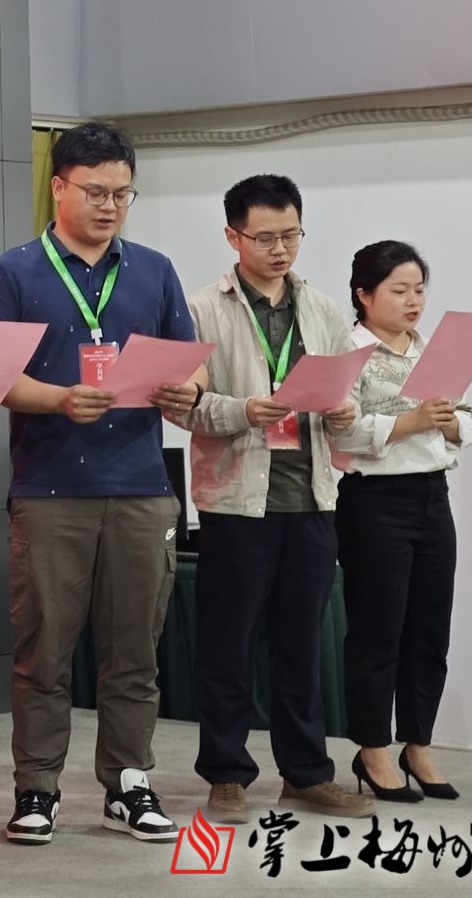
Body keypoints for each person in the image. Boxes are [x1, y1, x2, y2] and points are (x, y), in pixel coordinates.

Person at [0, 121, 198, 847]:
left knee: (136, 649)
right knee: (45, 649)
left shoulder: (155, 270)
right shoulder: (13, 273)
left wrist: (188, 390)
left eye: (122, 194)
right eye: (96, 192)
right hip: (50, 489)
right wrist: (61, 399)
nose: (109, 206)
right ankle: (37, 787)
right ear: (59, 186)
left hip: (141, 485)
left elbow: (189, 361)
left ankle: (128, 783)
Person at [170, 175, 373, 824]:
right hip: (237, 502)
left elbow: (349, 394)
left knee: (302, 645)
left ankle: (306, 773)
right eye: (265, 237)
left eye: (291, 235)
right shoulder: (201, 309)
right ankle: (227, 774)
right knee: (227, 645)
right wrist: (244, 410)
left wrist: (344, 411)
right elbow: (181, 406)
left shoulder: (323, 309)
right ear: (233, 237)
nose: (281, 249)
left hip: (311, 498)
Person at [333, 241, 472, 802]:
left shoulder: (431, 350)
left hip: (432, 496)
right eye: (399, 289)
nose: (413, 300)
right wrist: (412, 421)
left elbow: (465, 417)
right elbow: (340, 430)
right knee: (378, 629)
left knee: (429, 629)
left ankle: (419, 744)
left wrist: (447, 422)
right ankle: (372, 747)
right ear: (364, 295)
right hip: (374, 501)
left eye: (419, 289)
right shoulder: (347, 350)